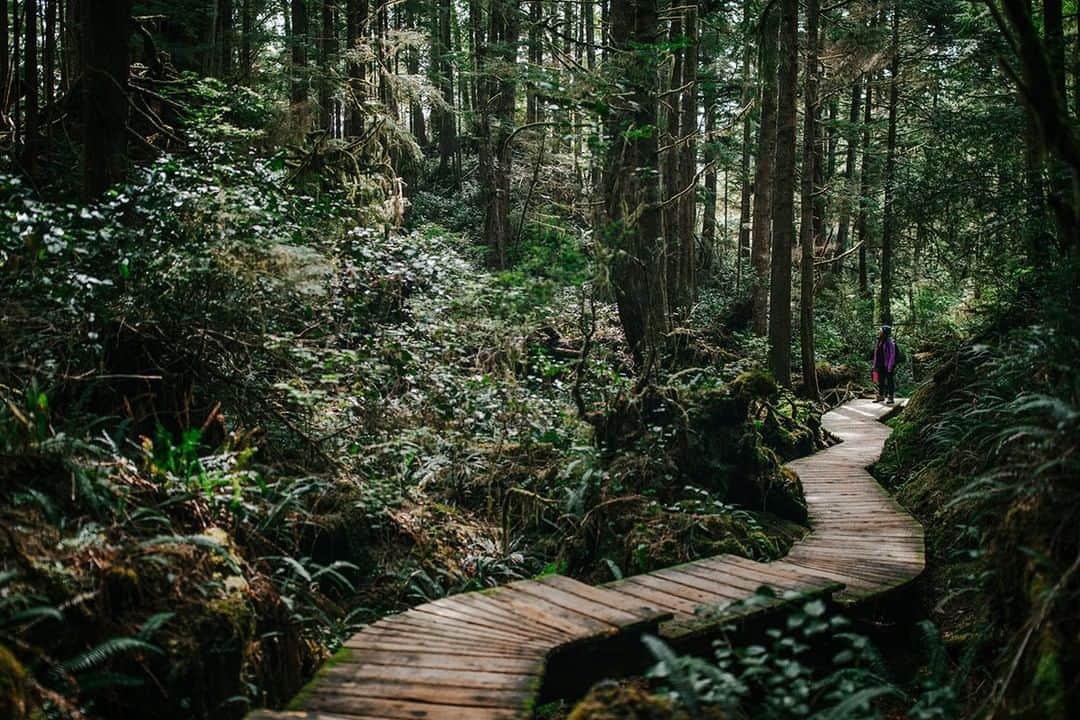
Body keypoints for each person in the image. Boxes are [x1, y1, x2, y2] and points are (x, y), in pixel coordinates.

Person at [871, 325, 902, 404]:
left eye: (880, 330)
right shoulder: (879, 341)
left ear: (885, 332)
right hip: (879, 365)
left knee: (889, 381)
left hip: (888, 365)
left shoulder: (890, 342)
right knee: (879, 380)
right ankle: (880, 396)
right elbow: (876, 353)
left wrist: (890, 366)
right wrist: (874, 365)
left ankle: (890, 397)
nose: (879, 331)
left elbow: (892, 354)